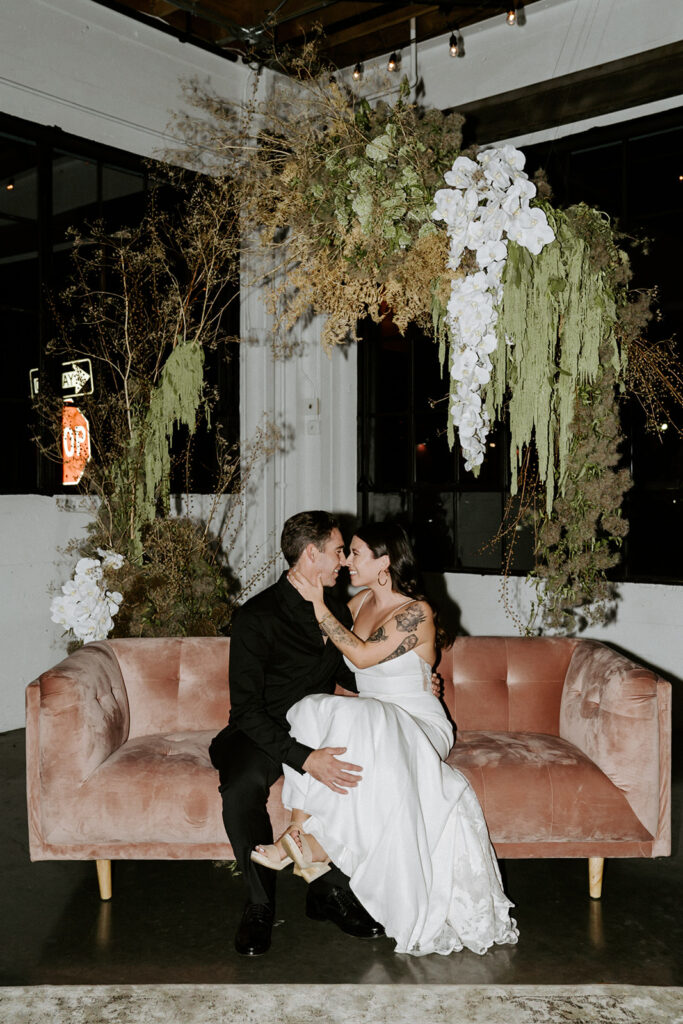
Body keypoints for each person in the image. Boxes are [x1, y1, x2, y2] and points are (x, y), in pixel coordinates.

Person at [252, 522, 519, 957]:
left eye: (354, 553)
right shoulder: (356, 603)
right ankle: (299, 832)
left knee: (364, 714)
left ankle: (311, 842)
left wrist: (319, 603)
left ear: (384, 563)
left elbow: (358, 655)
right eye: (345, 553)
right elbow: (323, 651)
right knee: (309, 708)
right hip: (374, 720)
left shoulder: (417, 612)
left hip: (417, 722)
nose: (345, 561)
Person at [208, 510, 384, 956]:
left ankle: (325, 892)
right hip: (260, 731)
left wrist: (410, 683)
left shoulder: (335, 608)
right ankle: (260, 904)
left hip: (318, 722)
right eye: (339, 551)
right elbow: (245, 710)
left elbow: (348, 672)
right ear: (312, 554)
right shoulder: (255, 616)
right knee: (242, 787)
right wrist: (304, 758)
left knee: (355, 766)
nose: (344, 561)